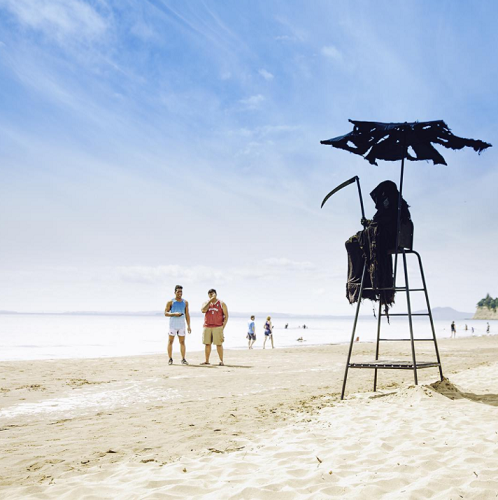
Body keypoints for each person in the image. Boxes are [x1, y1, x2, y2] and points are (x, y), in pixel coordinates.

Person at [164, 285, 191, 365]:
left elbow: (187, 314)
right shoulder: (170, 302)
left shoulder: (185, 302)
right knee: (170, 341)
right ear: (175, 292)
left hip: (182, 326)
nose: (180, 293)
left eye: (181, 292)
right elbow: (165, 313)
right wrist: (174, 314)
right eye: (178, 291)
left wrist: (189, 326)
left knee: (182, 342)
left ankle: (183, 359)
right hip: (172, 326)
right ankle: (170, 359)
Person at [201, 289, 228, 365]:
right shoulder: (206, 303)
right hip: (207, 326)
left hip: (218, 326)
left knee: (219, 344)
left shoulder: (221, 303)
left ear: (216, 294)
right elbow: (203, 310)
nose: (211, 295)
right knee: (207, 344)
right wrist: (210, 301)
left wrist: (223, 326)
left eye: (212, 294)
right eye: (209, 294)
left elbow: (226, 316)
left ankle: (221, 360)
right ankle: (207, 361)